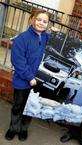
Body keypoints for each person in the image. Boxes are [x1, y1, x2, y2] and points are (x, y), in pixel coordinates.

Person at [5, 9, 51, 141]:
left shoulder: (46, 37)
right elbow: (18, 61)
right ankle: (13, 128)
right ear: (32, 19)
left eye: (45, 21)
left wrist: (53, 33)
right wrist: (29, 77)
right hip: (22, 80)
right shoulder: (22, 39)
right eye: (39, 19)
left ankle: (23, 129)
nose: (41, 23)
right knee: (18, 106)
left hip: (37, 81)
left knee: (30, 106)